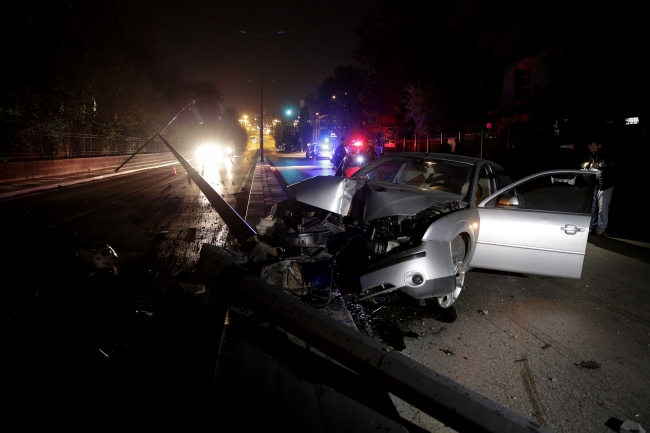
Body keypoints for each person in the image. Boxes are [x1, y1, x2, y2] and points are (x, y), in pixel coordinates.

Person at [586, 140, 615, 235]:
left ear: (599, 145)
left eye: (593, 148)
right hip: (595, 183)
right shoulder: (593, 155)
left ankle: (601, 228)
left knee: (602, 208)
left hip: (606, 184)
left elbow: (612, 169)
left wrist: (600, 168)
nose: (591, 149)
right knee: (592, 207)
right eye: (590, 148)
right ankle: (591, 226)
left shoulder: (607, 155)